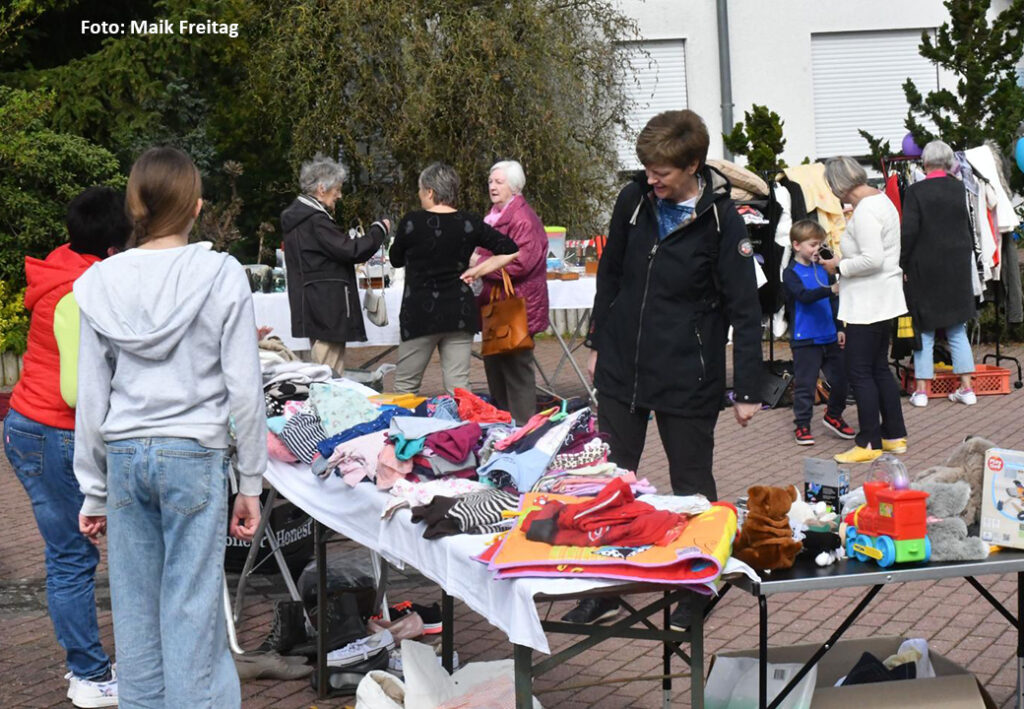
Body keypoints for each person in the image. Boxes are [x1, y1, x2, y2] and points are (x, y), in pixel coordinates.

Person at [73, 147, 266, 708]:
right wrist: (250, 481)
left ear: (135, 206)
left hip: (128, 454)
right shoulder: (221, 274)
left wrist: (92, 488)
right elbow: (245, 391)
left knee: (135, 613)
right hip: (194, 453)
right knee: (192, 611)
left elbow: (92, 396)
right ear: (197, 207)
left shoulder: (101, 282)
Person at [571, 109, 764, 627]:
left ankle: (696, 584)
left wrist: (747, 386)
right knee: (611, 478)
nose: (652, 179)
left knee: (691, 484)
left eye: (663, 172)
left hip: (688, 372)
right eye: (648, 168)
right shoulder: (634, 200)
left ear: (693, 165)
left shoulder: (724, 221)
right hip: (623, 365)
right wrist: (596, 339)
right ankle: (608, 584)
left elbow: (746, 308)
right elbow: (610, 274)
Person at [3, 187, 130, 708]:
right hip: (55, 431)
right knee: (73, 559)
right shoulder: (80, 292)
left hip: (28, 424)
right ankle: (90, 675)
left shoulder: (60, 266)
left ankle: (91, 668)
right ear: (111, 249)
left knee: (68, 555)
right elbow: (79, 391)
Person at [390, 162, 520, 395]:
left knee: (405, 387)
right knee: (459, 388)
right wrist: (478, 269)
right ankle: (466, 431)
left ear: (429, 191)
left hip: (419, 313)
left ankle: (401, 430)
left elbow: (395, 259)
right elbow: (510, 249)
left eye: (420, 190)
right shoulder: (469, 222)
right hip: (459, 311)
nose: (419, 195)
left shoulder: (411, 222)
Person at [820, 156, 908, 464]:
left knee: (860, 372)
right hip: (884, 298)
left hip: (867, 303)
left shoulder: (866, 212)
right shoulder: (879, 200)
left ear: (838, 185)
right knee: (879, 368)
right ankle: (893, 435)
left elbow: (872, 259)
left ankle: (869, 441)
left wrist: (838, 265)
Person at [281, 153, 389, 375]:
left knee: (326, 370)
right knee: (329, 375)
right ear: (322, 188)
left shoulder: (303, 218)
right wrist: (379, 230)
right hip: (326, 308)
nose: (339, 195)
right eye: (337, 189)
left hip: (316, 304)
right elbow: (351, 250)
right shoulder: (315, 220)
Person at [900, 140, 977, 408]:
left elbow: (908, 231)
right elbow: (966, 225)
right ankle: (966, 387)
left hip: (925, 266)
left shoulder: (916, 191)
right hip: (956, 264)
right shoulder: (959, 188)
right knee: (957, 327)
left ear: (924, 162)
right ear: (948, 162)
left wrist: (903, 263)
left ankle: (921, 391)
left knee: (925, 327)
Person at [474, 160, 549, 423]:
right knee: (496, 370)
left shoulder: (522, 219)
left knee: (517, 371)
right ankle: (506, 427)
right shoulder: (495, 216)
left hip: (517, 308)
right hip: (497, 307)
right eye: (491, 182)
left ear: (514, 187)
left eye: (499, 182)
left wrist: (480, 265)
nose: (492, 187)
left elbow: (520, 262)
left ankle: (524, 430)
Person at [782, 219, 855, 446]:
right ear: (797, 245)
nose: (817, 250)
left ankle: (834, 414)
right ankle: (802, 426)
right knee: (806, 384)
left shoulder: (825, 270)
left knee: (841, 380)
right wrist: (830, 290)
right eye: (812, 245)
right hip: (805, 338)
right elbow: (803, 296)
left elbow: (834, 301)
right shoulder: (791, 273)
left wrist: (839, 326)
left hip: (829, 335)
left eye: (819, 244)